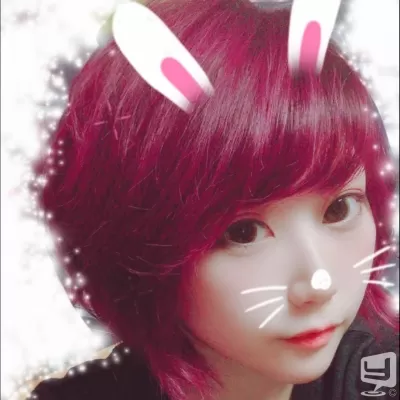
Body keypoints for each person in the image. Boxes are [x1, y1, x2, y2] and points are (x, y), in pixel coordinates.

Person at [30, 0, 399, 399]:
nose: (318, 283)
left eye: (340, 209)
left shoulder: (379, 369)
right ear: (142, 249)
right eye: (243, 232)